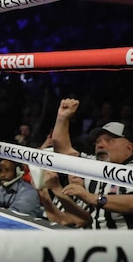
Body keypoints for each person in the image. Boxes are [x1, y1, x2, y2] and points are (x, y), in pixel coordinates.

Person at [50, 98, 133, 229]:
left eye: (110, 140)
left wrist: (93, 198)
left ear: (129, 147)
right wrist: (62, 118)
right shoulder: (93, 165)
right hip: (93, 241)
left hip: (124, 244)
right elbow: (64, 152)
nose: (100, 145)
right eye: (98, 141)